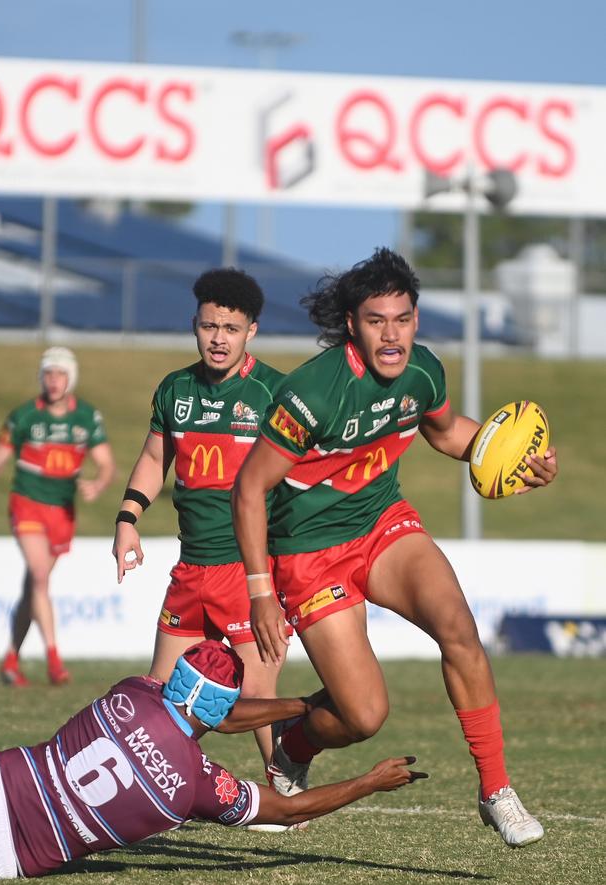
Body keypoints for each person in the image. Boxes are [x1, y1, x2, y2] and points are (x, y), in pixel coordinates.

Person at [231, 247, 558, 849]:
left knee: (458, 627)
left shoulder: (423, 371)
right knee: (362, 717)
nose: (392, 334)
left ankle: (496, 790)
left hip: (382, 523)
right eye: (377, 320)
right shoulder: (312, 392)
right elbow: (250, 488)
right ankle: (295, 746)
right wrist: (259, 593)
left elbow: (447, 432)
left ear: (415, 319)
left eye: (403, 319)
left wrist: (516, 461)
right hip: (307, 550)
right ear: (353, 324)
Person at [0, 639, 427, 880]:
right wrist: (368, 781)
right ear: (221, 709)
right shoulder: (194, 785)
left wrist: (300, 705)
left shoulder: (131, 691)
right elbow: (289, 809)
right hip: (1, 861)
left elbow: (208, 713)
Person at [112, 268, 291, 785]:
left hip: (248, 568)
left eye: (230, 329)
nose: (218, 339)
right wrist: (128, 518)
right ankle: (146, 786)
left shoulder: (273, 392)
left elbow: (305, 472)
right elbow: (154, 457)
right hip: (192, 569)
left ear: (251, 331)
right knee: (163, 691)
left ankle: (286, 783)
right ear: (195, 324)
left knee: (258, 693)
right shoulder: (176, 389)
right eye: (210, 327)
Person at [0, 347, 115, 687]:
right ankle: (55, 660)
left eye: (60, 374)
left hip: (62, 511)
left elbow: (106, 464)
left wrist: (99, 484)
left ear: (71, 378)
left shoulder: (87, 418)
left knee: (33, 587)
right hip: (27, 504)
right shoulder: (25, 417)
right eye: (48, 374)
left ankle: (11, 659)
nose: (53, 380)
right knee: (41, 576)